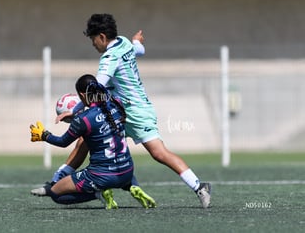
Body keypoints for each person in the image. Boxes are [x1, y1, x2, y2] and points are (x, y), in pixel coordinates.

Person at [56, 14, 211, 208]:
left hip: (134, 112)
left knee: (159, 153)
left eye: (93, 38)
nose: (93, 44)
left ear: (102, 37)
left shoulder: (109, 58)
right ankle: (60, 177)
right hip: (124, 110)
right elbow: (139, 50)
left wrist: (75, 110)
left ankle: (199, 186)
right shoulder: (124, 42)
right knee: (85, 139)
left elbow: (95, 89)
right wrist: (137, 41)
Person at [30, 74, 133, 209]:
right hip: (127, 172)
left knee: (55, 193)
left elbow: (63, 142)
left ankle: (97, 193)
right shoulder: (115, 105)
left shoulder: (84, 119)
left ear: (82, 96)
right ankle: (131, 186)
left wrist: (44, 136)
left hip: (102, 175)